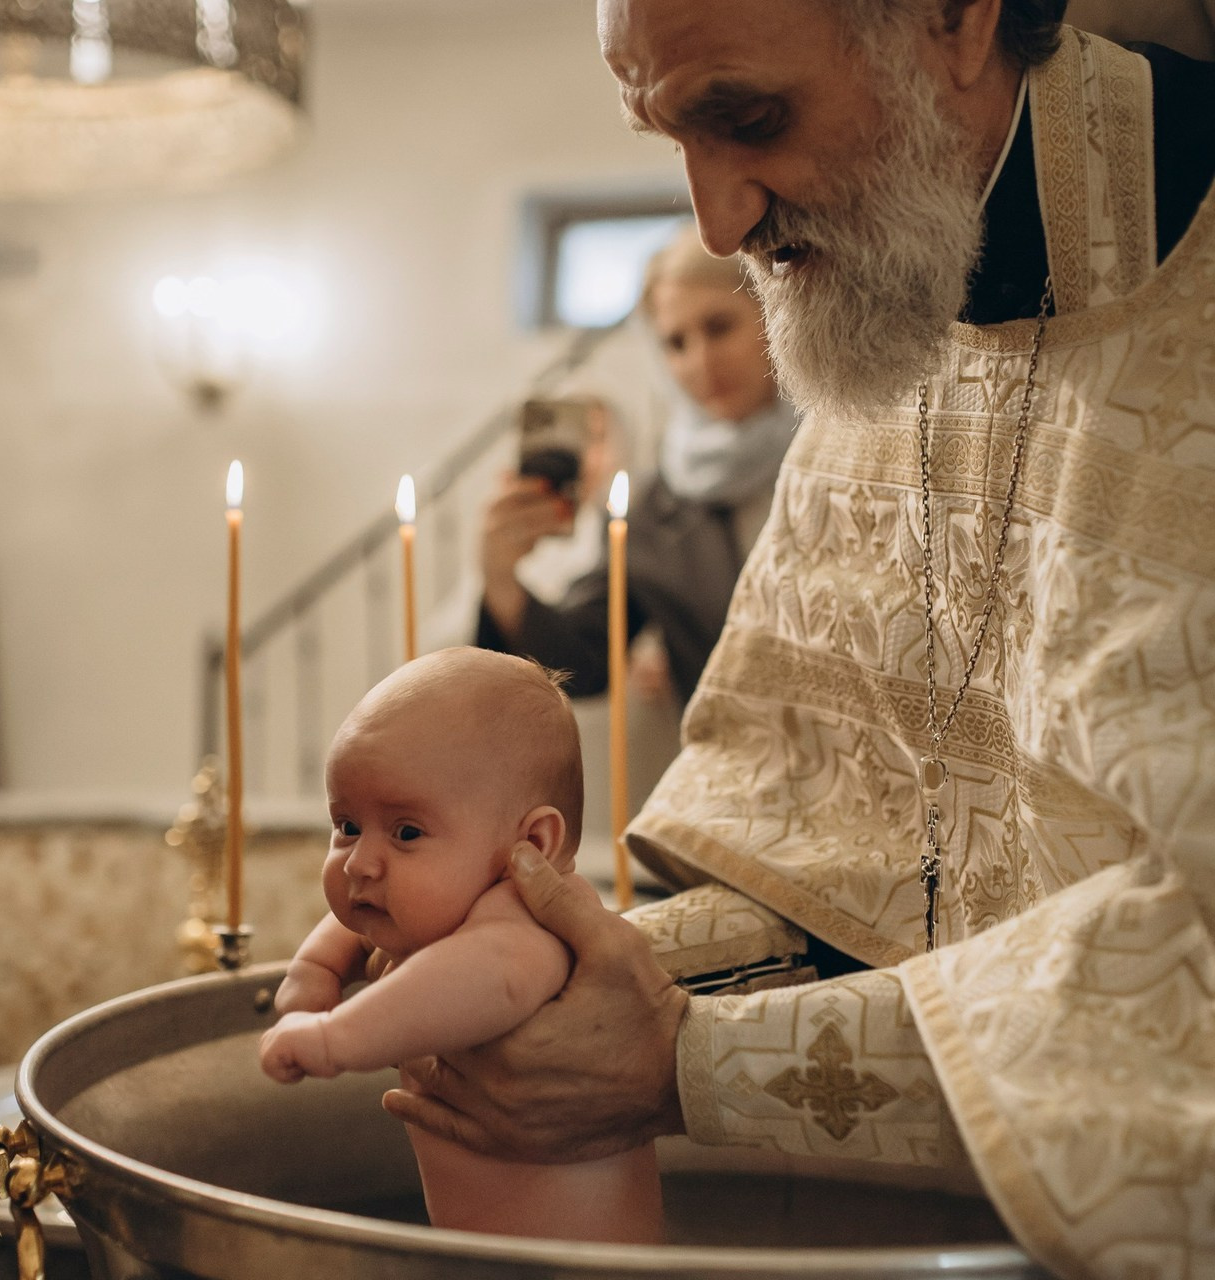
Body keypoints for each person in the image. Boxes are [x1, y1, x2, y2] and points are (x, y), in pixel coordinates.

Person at [382, 4, 1215, 1279]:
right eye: (668, 135)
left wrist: (685, 1062)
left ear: (955, 21)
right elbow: (822, 867)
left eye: (749, 118)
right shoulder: (887, 326)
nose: (716, 222)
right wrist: (531, 944)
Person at [258, 647, 663, 1243]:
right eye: (346, 826)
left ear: (533, 844)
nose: (361, 863)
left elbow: (483, 978)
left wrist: (336, 1035)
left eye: (407, 832)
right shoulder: (430, 904)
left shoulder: (530, 922)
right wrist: (317, 966)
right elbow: (354, 918)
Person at [476, 226, 801, 705]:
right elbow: (582, 661)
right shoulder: (649, 511)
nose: (700, 361)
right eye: (675, 343)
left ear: (775, 315)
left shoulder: (852, 445)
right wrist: (500, 578)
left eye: (719, 326)